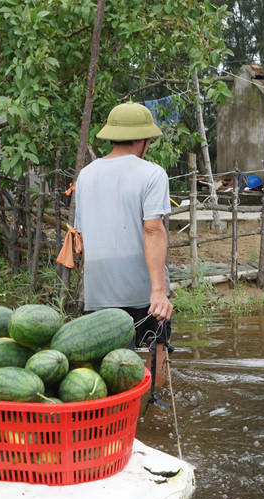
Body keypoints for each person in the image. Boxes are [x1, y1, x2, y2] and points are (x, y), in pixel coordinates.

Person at [73, 102, 173, 385]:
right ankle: (152, 413)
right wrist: (158, 292)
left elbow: (82, 234)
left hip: (98, 289)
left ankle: (114, 419)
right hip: (140, 285)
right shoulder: (152, 174)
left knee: (110, 366)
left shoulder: (86, 174)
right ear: (143, 140)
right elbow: (153, 230)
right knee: (158, 346)